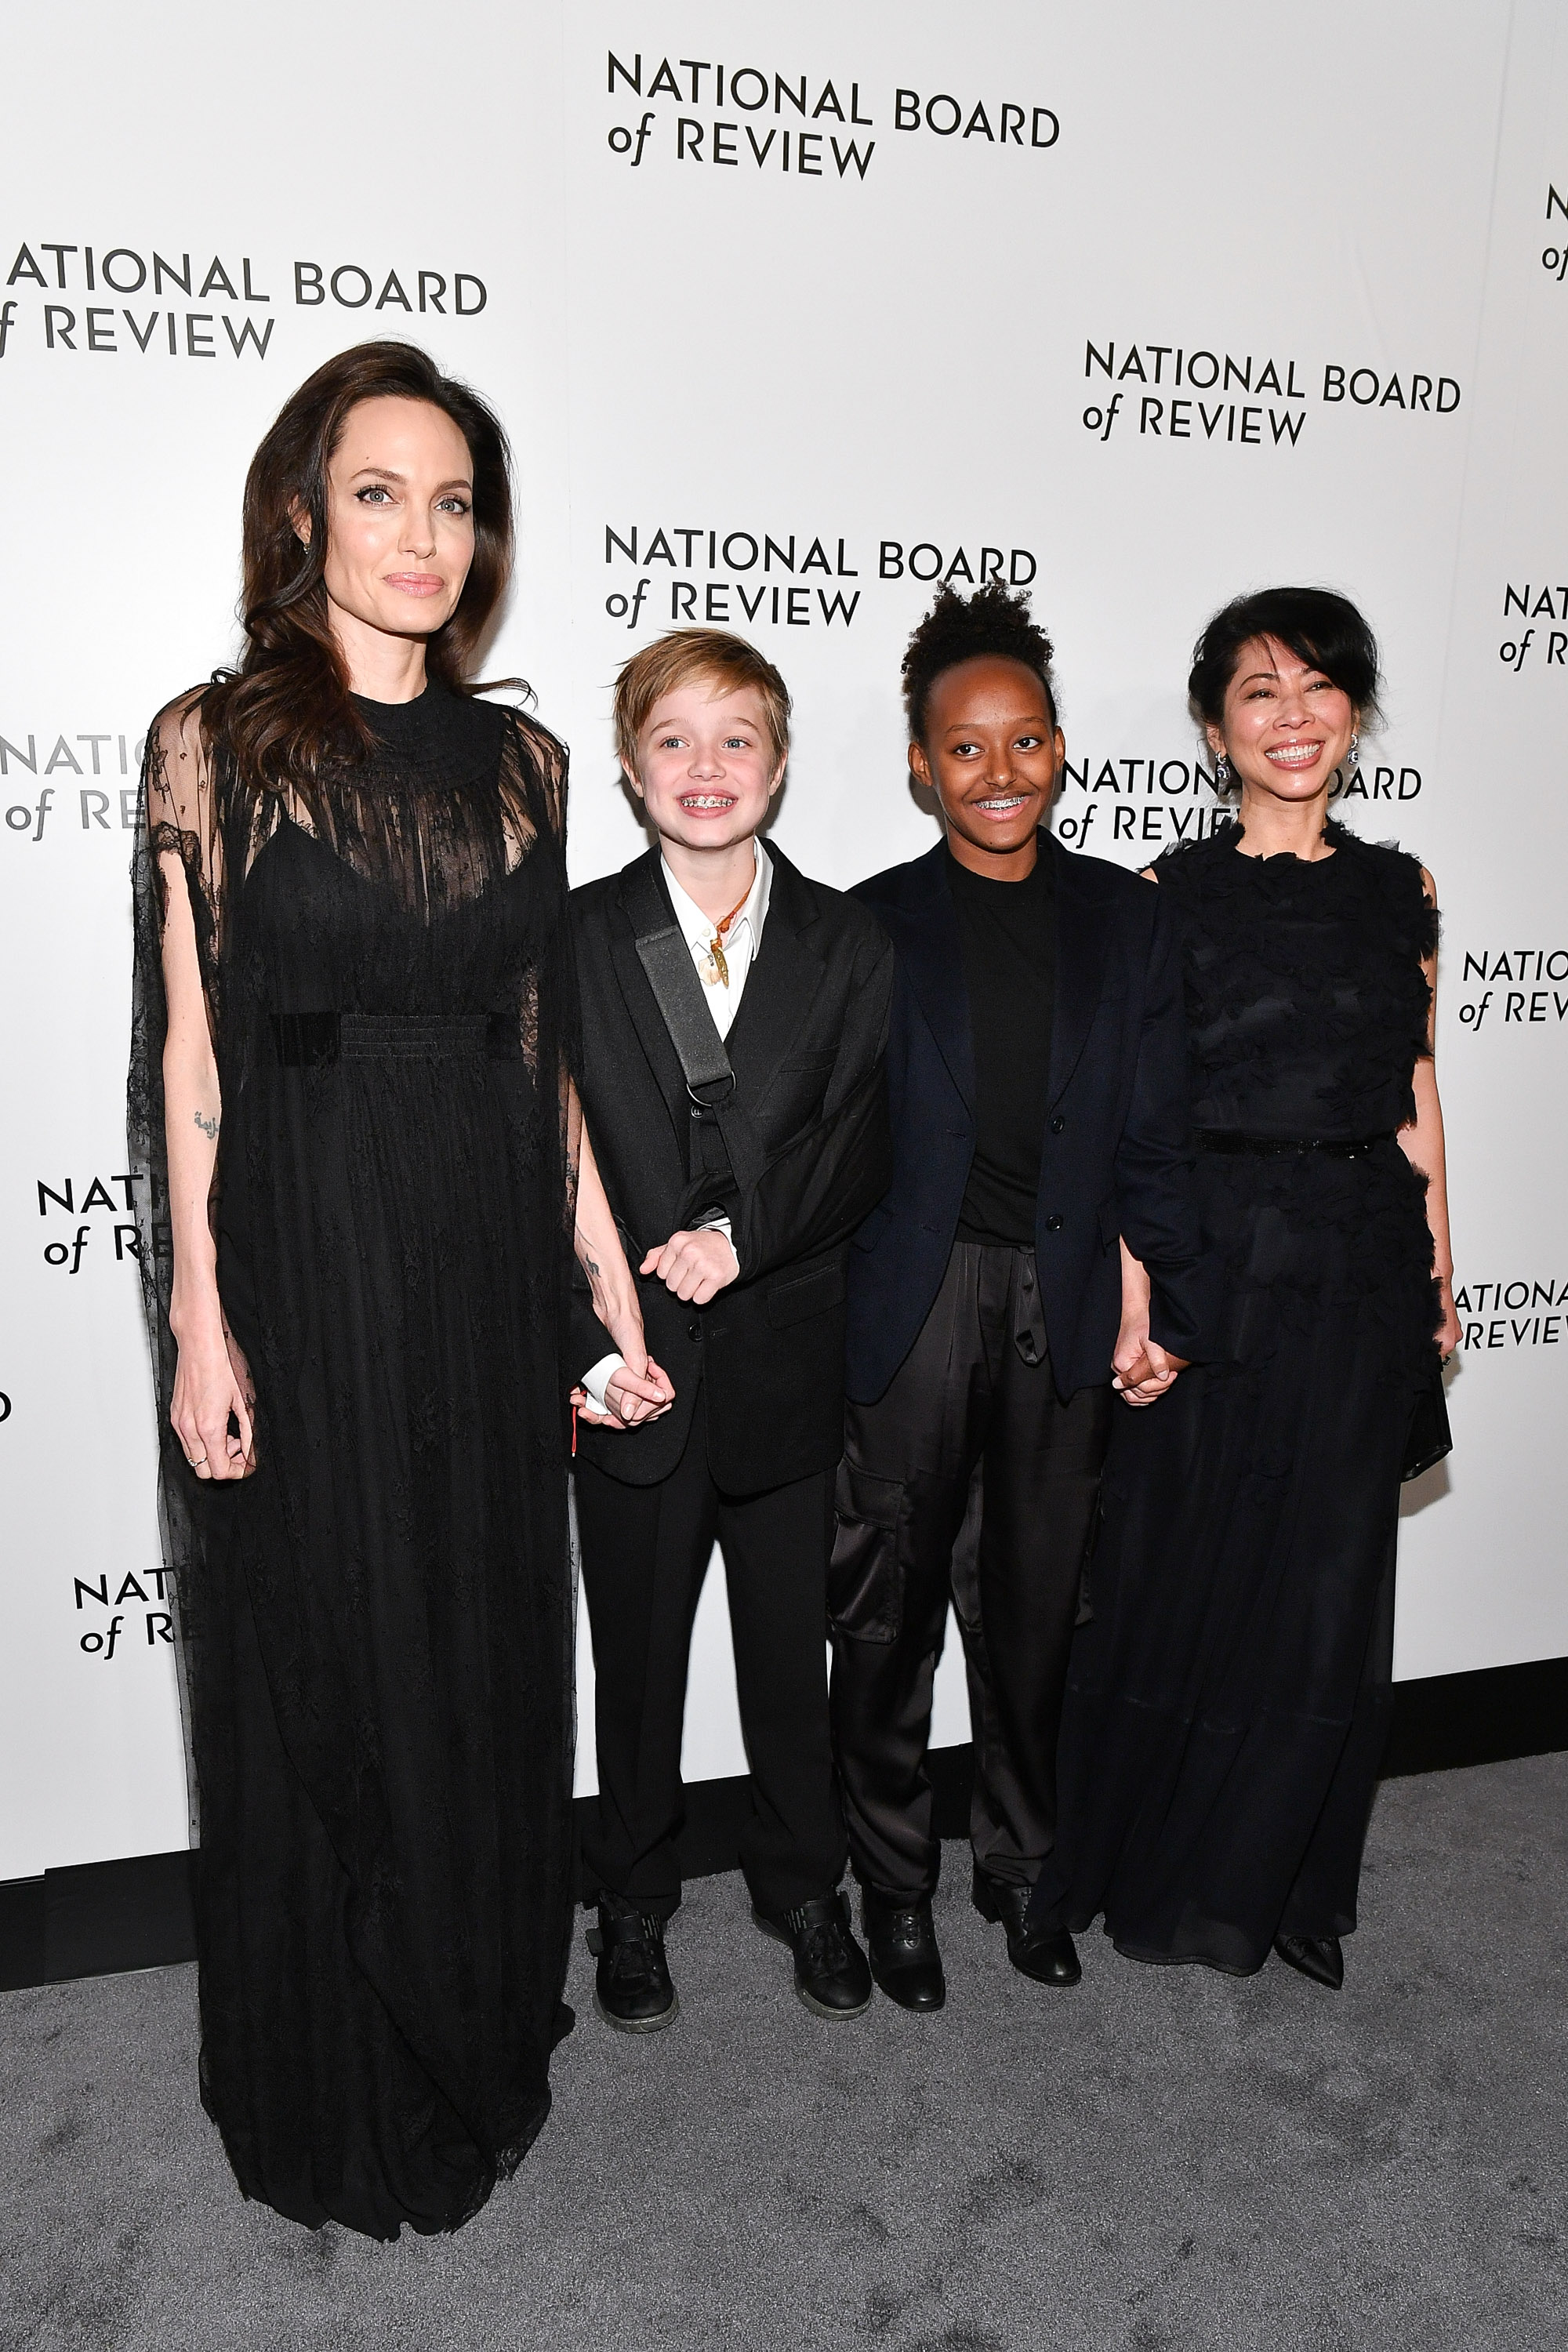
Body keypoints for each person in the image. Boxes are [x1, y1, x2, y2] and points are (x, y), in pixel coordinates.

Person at [128, 342, 659, 2238]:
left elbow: (545, 1042)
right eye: (380, 493)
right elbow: (191, 1059)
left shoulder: (521, 760)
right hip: (305, 1232)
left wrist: (596, 1271)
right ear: (304, 510)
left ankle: (467, 2016)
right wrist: (200, 1309)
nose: (422, 535)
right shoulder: (214, 743)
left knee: (480, 1636)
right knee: (324, 1644)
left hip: (481, 1243)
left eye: (453, 501)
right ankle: (336, 2077)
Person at [1030, 586, 1457, 1990]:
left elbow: (1414, 1089)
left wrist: (1444, 1263)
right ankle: (1150, 1863)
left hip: (1357, 1270)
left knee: (1327, 1590)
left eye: (1323, 686)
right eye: (1260, 692)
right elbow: (1135, 1124)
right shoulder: (1166, 896)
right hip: (1214, 1256)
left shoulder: (1406, 892)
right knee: (1175, 1574)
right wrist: (1139, 1298)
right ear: (1215, 728)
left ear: (1357, 714)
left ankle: (1290, 1886)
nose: (1295, 717)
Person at [830, 583, 1209, 2012]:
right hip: (910, 1306)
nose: (1001, 772)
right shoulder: (866, 930)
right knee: (886, 1614)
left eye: (1027, 740)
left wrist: (1161, 1303)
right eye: (966, 748)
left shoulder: (1131, 923)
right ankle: (897, 1885)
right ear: (922, 764)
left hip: (1064, 1299)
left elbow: (1160, 1138)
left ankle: (1021, 1865)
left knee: (1041, 1608)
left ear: (1062, 752)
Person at [568, 627, 894, 2031]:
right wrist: (579, 1342)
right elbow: (535, 1149)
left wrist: (741, 1240)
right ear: (636, 769)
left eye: (739, 739)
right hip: (629, 1369)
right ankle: (631, 1909)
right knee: (637, 1669)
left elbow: (862, 1141)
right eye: (675, 740)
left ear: (779, 761)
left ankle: (801, 1886)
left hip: (781, 1358)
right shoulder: (575, 936)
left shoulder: (847, 938)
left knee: (785, 1653)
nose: (709, 770)